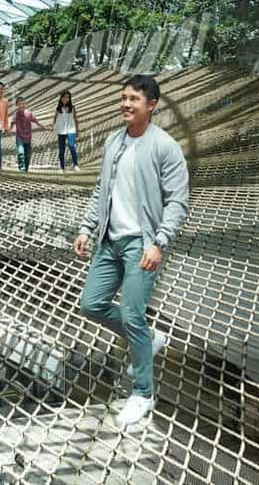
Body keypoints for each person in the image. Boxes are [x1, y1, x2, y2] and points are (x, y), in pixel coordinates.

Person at [73, 75, 189, 428]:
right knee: (91, 303)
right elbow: (101, 190)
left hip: (142, 244)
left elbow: (178, 201)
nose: (125, 104)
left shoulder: (163, 146)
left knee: (133, 315)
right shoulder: (114, 142)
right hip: (110, 240)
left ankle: (142, 393)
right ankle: (149, 340)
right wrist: (86, 228)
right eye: (123, 98)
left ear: (151, 105)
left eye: (133, 99)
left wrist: (159, 241)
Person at [10, 97, 46, 172]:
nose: (22, 105)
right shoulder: (15, 115)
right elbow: (12, 123)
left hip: (28, 138)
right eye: (20, 104)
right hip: (19, 137)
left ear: (25, 104)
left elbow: (36, 121)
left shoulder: (29, 113)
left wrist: (43, 127)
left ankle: (26, 169)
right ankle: (21, 169)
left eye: (23, 103)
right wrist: (8, 130)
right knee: (21, 153)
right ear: (17, 105)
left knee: (28, 155)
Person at [52, 90, 81, 173]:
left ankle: (75, 165)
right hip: (61, 130)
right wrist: (52, 125)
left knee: (72, 146)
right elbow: (54, 118)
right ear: (61, 98)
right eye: (64, 97)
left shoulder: (72, 108)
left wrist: (78, 130)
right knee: (61, 149)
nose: (66, 99)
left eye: (68, 97)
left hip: (71, 130)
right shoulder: (58, 108)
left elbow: (76, 119)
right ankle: (62, 167)